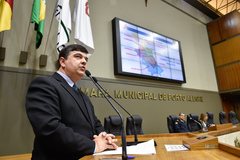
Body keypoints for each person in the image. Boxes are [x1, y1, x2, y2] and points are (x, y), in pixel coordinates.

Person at [25, 44, 118, 160]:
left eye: (86, 59)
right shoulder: (45, 85)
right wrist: (94, 145)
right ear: (62, 62)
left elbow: (95, 123)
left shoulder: (82, 95)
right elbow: (50, 128)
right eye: (78, 57)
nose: (84, 61)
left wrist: (104, 137)